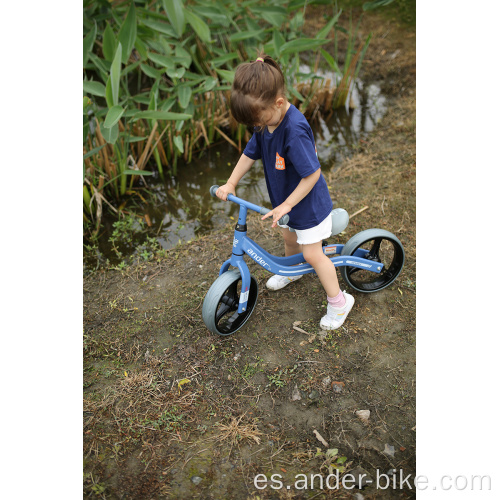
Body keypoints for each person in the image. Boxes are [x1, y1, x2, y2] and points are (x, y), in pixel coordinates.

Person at [215, 54, 354, 330]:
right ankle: (292, 271)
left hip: (308, 206)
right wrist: (231, 183)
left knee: (313, 254)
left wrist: (288, 204)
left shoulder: (295, 130)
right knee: (290, 239)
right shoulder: (267, 121)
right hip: (286, 203)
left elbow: (312, 173)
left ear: (278, 103)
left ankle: (339, 301)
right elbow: (249, 153)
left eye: (259, 119)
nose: (257, 126)